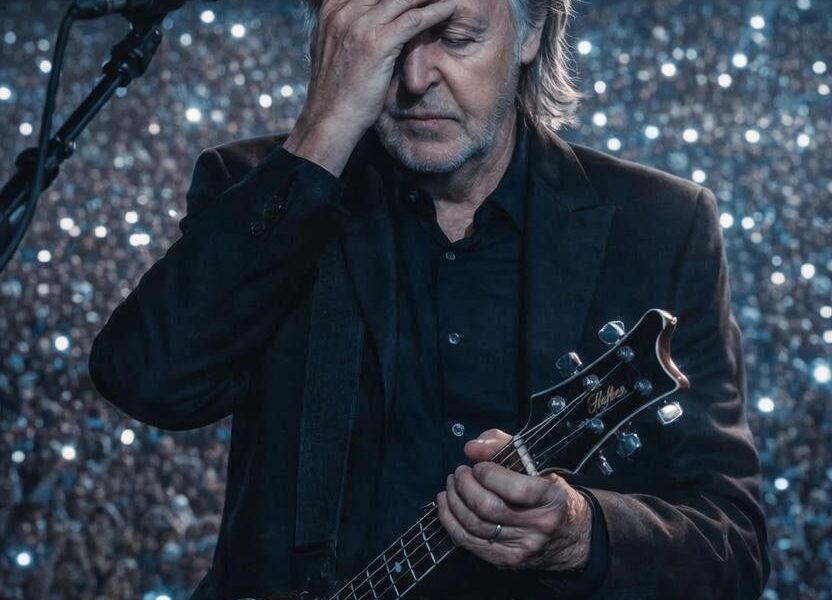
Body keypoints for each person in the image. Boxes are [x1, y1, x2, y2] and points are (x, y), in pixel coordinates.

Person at [88, 0, 770, 598]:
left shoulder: (661, 226)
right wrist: (322, 131)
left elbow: (732, 547)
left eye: (455, 36)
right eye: (383, 39)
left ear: (533, 29)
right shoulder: (260, 191)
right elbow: (148, 381)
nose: (415, 78)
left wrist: (583, 535)